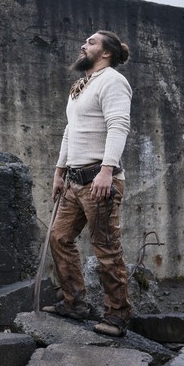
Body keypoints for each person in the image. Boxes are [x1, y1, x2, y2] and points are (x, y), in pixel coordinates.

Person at [44, 30, 133, 337]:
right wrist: (59, 171)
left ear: (106, 53)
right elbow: (71, 131)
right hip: (73, 180)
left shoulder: (113, 81)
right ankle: (75, 303)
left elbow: (119, 124)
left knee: (106, 249)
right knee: (59, 238)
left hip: (100, 181)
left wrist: (107, 170)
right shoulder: (81, 87)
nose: (83, 44)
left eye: (91, 42)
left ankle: (117, 314)